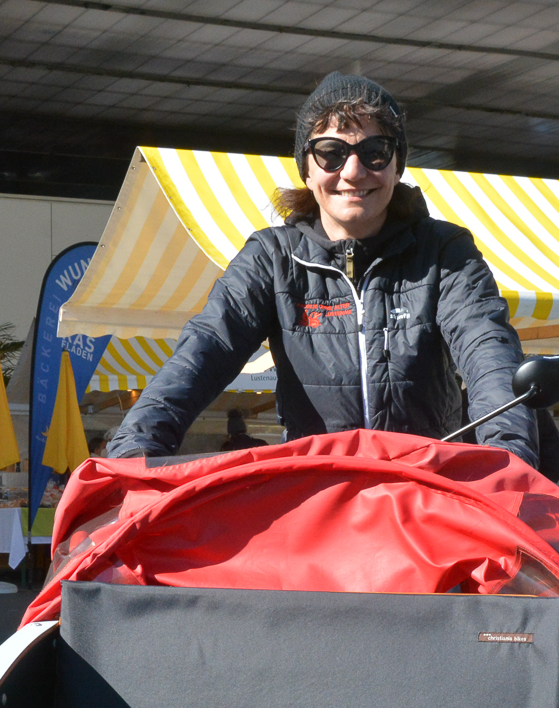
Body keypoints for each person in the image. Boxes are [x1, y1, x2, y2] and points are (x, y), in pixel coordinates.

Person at [104, 74, 535, 464]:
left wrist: (510, 457)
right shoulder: (271, 257)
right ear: (307, 169)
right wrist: (131, 455)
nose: (353, 171)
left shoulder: (445, 251)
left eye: (375, 152)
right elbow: (206, 349)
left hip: (425, 494)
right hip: (317, 500)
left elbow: (487, 349)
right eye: (331, 153)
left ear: (397, 165)